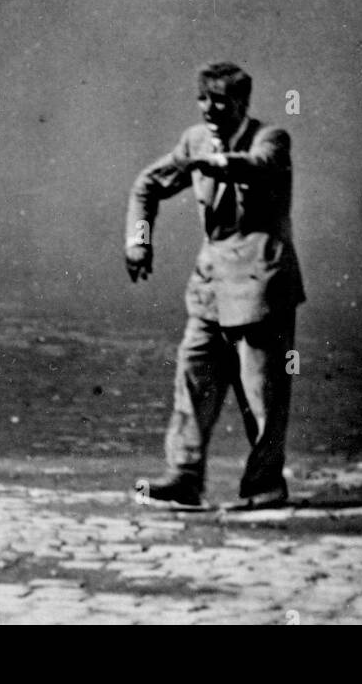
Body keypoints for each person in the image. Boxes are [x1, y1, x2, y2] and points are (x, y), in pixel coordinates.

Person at [125, 61, 306, 510]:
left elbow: (261, 166)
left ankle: (265, 485)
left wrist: (215, 163)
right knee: (193, 377)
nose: (209, 109)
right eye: (203, 99)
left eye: (220, 101)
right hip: (209, 286)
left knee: (260, 391)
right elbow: (148, 184)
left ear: (242, 103)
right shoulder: (194, 139)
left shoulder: (271, 138)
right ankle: (183, 477)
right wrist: (139, 242)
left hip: (260, 284)